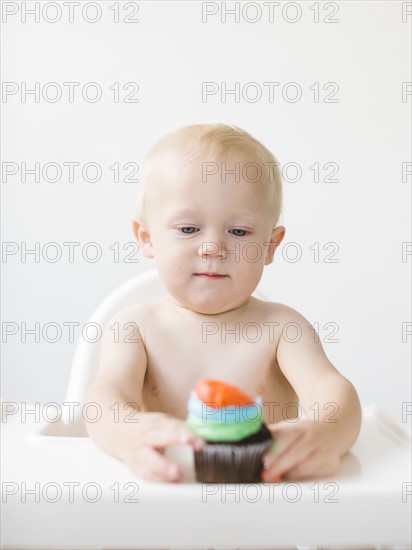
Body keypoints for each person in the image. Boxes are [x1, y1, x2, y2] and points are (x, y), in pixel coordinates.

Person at [85, 123, 362, 485]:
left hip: (257, 509)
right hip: (164, 499)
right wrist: (128, 434)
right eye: (188, 229)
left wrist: (325, 434)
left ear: (270, 246)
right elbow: (105, 399)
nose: (213, 247)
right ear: (147, 238)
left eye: (239, 231)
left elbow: (334, 392)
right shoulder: (134, 327)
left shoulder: (283, 329)